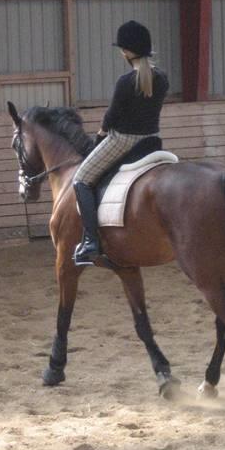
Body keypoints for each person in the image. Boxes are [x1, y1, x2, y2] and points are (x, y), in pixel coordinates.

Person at [72, 20, 169, 266]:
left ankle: (91, 242)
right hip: (152, 140)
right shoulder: (162, 78)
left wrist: (100, 135)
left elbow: (112, 116)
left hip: (123, 140)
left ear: (126, 51)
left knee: (81, 179)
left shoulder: (125, 81)